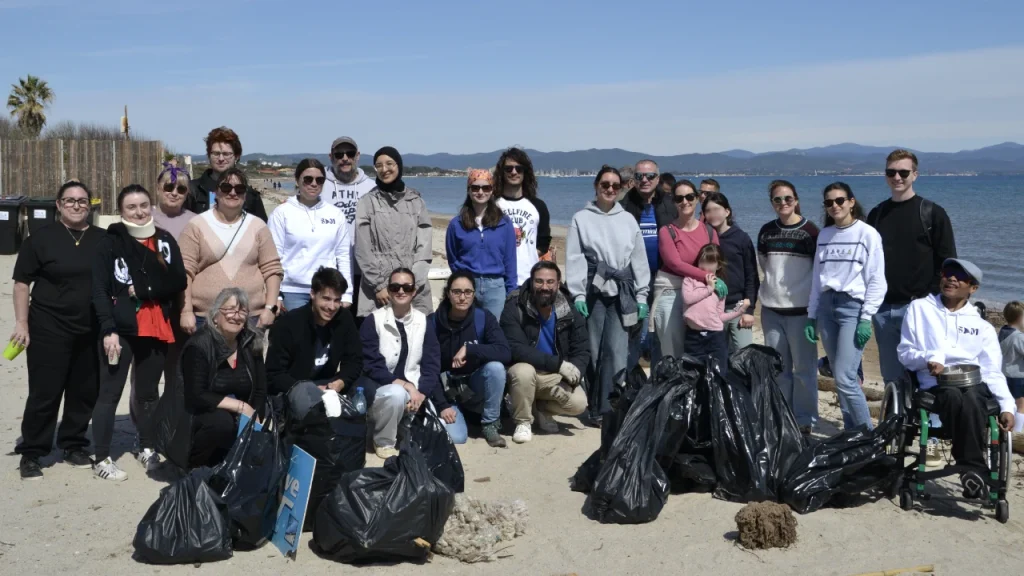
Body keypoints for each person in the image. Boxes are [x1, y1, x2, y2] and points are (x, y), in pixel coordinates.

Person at [89, 185, 186, 480]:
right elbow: (100, 290)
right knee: (110, 393)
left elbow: (178, 279)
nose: (139, 211)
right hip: (120, 328)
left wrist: (143, 289)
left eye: (143, 205)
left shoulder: (165, 240)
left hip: (155, 326)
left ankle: (146, 446)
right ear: (121, 211)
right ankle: (102, 457)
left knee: (147, 393)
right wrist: (108, 329)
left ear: (151, 207)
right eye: (131, 207)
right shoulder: (110, 242)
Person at [898, 259, 1014, 498]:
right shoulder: (920, 309)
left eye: (960, 277)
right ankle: (973, 468)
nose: (951, 279)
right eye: (948, 273)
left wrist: (1007, 406)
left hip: (973, 383)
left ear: (973, 288)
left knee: (972, 397)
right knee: (952, 395)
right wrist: (929, 358)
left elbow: (992, 371)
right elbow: (905, 353)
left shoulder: (982, 326)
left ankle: (969, 467)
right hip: (934, 384)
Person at [12, 181, 105, 480]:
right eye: (70, 200)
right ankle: (33, 452)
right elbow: (22, 283)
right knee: (45, 392)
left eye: (82, 201)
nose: (77, 205)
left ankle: (73, 443)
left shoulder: (104, 239)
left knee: (84, 391)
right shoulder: (40, 239)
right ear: (58, 204)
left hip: (91, 329)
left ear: (90, 205)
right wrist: (22, 323)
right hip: (48, 327)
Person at [567, 165, 650, 426]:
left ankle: (611, 406)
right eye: (605, 184)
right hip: (592, 289)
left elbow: (639, 259)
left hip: (621, 291)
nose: (610, 189)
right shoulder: (581, 218)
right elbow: (574, 256)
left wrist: (642, 295)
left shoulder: (627, 219)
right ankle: (593, 405)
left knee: (617, 350)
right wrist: (578, 294)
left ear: (622, 188)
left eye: (616, 185)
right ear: (596, 186)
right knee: (592, 350)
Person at [869, 149, 957, 385]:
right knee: (892, 378)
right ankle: (898, 421)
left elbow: (948, 263)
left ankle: (932, 423)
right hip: (883, 309)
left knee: (927, 377)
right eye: (891, 172)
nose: (897, 177)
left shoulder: (932, 213)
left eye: (903, 172)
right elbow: (868, 262)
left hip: (920, 308)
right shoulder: (876, 215)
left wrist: (931, 300)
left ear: (915, 175)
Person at [805, 182, 886, 432]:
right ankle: (851, 433)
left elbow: (877, 279)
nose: (835, 206)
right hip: (827, 308)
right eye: (829, 202)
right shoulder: (825, 236)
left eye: (840, 200)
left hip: (853, 307)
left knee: (845, 376)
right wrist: (811, 315)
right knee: (839, 378)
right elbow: (818, 278)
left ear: (851, 202)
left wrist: (866, 317)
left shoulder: (867, 234)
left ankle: (867, 437)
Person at [179, 167, 283, 333]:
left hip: (250, 317)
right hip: (205, 317)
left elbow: (272, 270)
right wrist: (186, 311)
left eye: (240, 189)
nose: (233, 193)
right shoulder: (196, 225)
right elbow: (185, 271)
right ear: (216, 192)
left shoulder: (258, 226)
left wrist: (270, 308)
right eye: (226, 188)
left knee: (247, 360)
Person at [355, 268, 443, 458]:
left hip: (415, 392)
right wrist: (405, 386)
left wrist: (421, 393)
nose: (401, 291)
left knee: (443, 432)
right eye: (395, 287)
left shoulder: (423, 321)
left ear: (414, 292)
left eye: (406, 287)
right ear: (388, 290)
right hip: (382, 389)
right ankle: (383, 440)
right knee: (396, 394)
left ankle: (403, 425)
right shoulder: (373, 320)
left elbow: (431, 363)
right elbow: (371, 364)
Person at [500, 261, 589, 443]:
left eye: (550, 282)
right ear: (531, 282)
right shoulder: (515, 306)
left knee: (579, 403)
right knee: (523, 371)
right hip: (524, 373)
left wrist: (571, 377)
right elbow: (515, 348)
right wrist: (558, 365)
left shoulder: (570, 311)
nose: (544, 287)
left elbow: (582, 349)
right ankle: (523, 421)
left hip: (554, 376)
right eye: (539, 281)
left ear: (558, 284)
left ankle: (541, 409)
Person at [180, 288, 268, 469]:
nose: (236, 316)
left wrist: (257, 418)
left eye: (242, 311)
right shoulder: (199, 345)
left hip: (239, 416)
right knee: (222, 423)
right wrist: (240, 406)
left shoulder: (252, 342)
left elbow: (260, 389)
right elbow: (196, 395)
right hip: (198, 415)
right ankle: (194, 467)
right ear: (215, 316)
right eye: (229, 310)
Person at [757, 180, 820, 433]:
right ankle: (783, 417)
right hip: (771, 311)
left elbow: (818, 273)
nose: (783, 203)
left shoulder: (810, 232)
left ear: (796, 199)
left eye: (788, 198)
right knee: (779, 369)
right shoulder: (766, 231)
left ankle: (804, 421)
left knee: (804, 370)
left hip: (801, 312)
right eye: (777, 200)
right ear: (772, 203)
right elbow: (765, 265)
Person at [429, 271, 511, 447]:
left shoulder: (483, 318)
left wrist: (470, 349)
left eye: (468, 292)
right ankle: (459, 415)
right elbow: (428, 369)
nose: (462, 297)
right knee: (458, 438)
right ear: (448, 294)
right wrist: (442, 405)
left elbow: (505, 352)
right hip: (447, 390)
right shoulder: (433, 323)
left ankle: (490, 423)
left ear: (474, 294)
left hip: (474, 385)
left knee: (496, 368)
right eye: (456, 292)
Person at [354, 147, 433, 318]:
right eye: (379, 165)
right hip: (379, 291)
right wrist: (379, 285)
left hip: (414, 290)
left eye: (389, 164)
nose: (384, 169)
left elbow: (424, 249)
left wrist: (412, 285)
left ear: (399, 166)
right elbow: (363, 249)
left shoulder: (416, 201)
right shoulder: (367, 203)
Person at [268, 158, 352, 312]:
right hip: (292, 292)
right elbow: (274, 256)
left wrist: (347, 294)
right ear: (297, 180)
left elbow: (343, 255)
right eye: (308, 179)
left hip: (328, 290)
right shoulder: (282, 213)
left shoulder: (335, 214)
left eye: (319, 180)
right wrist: (276, 295)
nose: (314, 184)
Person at [265, 267, 362, 396]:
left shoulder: (344, 319)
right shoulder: (289, 324)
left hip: (329, 385)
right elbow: (274, 374)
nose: (331, 307)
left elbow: (354, 360)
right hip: (294, 389)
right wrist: (309, 390)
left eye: (337, 300)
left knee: (365, 389)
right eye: (326, 299)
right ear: (312, 294)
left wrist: (342, 381)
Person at [654, 180, 722, 359]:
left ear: (698, 198)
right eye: (679, 198)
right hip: (672, 293)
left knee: (699, 354)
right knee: (673, 356)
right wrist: (708, 277)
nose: (685, 202)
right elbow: (675, 264)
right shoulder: (667, 231)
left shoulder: (709, 231)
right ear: (674, 202)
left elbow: (717, 261)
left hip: (702, 294)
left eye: (690, 197)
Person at [620, 159, 677, 368]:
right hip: (634, 281)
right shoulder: (624, 207)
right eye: (639, 176)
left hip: (664, 279)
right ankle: (632, 385)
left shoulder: (669, 205)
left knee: (661, 334)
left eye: (650, 176)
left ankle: (658, 382)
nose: (645, 180)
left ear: (658, 179)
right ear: (633, 179)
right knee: (634, 335)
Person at [445, 169, 517, 319]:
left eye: (486, 187)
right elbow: (452, 258)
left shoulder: (504, 223)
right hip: (467, 286)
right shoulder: (456, 224)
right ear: (469, 190)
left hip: (496, 287)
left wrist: (511, 291)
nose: (480, 192)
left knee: (493, 331)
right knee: (467, 329)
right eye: (475, 187)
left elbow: (510, 260)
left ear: (492, 191)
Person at [322, 136, 376, 309]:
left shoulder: (372, 187)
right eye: (339, 154)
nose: (345, 158)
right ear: (331, 157)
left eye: (350, 153)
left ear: (357, 156)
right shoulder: (319, 184)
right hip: (330, 268)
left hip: (364, 270)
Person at [702, 192, 758, 353]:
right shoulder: (704, 238)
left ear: (727, 211)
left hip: (737, 306)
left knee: (743, 354)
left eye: (717, 209)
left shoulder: (741, 238)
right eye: (708, 211)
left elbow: (751, 276)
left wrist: (749, 310)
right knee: (716, 356)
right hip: (711, 307)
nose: (713, 214)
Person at [682, 244, 749, 374]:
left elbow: (720, 316)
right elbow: (687, 299)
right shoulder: (690, 279)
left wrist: (738, 312)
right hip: (693, 336)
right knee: (692, 374)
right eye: (702, 261)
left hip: (715, 336)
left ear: (718, 265)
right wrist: (709, 289)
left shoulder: (721, 287)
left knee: (719, 373)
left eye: (710, 262)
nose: (705, 266)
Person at [185, 126, 268, 222]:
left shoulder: (249, 195)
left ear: (236, 156)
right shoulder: (192, 190)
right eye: (216, 154)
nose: (221, 159)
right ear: (208, 156)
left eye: (226, 154)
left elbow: (261, 230)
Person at [495, 147, 553, 283]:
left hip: (529, 279)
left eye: (518, 168)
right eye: (508, 169)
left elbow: (543, 242)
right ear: (502, 173)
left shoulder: (538, 206)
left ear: (525, 172)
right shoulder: (493, 205)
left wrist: (526, 255)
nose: (514, 172)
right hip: (499, 279)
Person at [153, 162, 197, 239]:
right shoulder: (144, 216)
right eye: (169, 187)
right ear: (157, 189)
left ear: (187, 194)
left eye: (181, 189)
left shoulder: (195, 221)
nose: (174, 193)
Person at [999, 301, 1024, 433]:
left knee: (1007, 403)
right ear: (1021, 318)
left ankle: (1006, 427)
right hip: (1017, 376)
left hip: (1003, 374)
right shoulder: (1019, 337)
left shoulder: (1002, 332)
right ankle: (1017, 433)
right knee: (1021, 405)